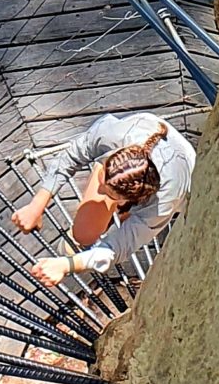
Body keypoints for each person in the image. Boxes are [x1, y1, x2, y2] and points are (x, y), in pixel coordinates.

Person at [11, 114, 196, 287]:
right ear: (114, 156)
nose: (99, 190)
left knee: (124, 229)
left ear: (130, 199)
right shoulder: (113, 134)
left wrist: (67, 265)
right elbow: (71, 156)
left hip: (182, 176)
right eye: (102, 179)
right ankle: (101, 222)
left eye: (109, 194)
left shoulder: (162, 203)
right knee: (83, 233)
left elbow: (119, 247)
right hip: (145, 144)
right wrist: (36, 206)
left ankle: (121, 216)